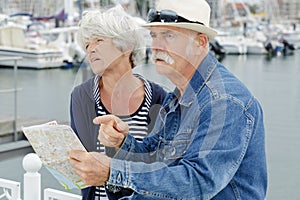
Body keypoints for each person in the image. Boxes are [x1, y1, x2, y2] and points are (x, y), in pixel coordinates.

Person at [69, 0, 268, 199]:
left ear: (200, 43)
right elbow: (154, 156)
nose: (156, 46)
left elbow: (198, 182)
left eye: (169, 36)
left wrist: (113, 172)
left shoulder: (225, 100)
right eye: (154, 36)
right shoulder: (178, 96)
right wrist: (122, 142)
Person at [69, 5, 166, 199]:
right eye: (87, 44)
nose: (91, 49)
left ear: (126, 46)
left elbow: (160, 166)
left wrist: (120, 150)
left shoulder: (159, 98)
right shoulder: (81, 96)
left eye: (99, 40)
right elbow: (82, 164)